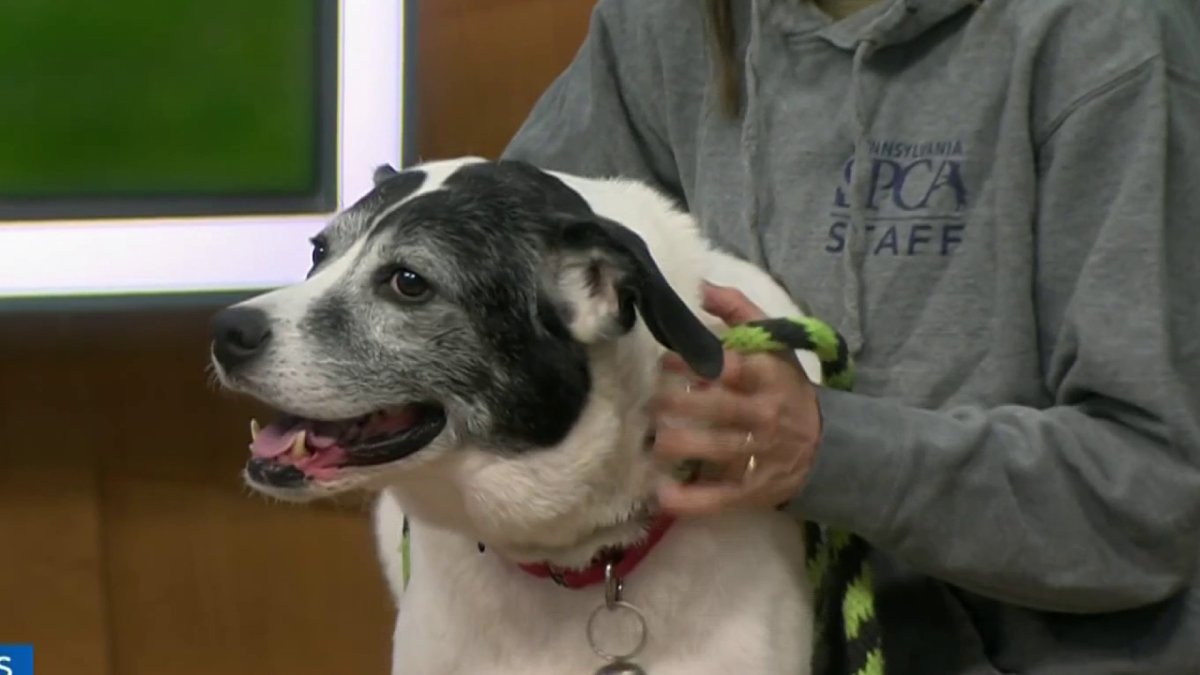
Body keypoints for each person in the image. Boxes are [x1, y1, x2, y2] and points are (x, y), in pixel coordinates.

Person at [500, 0, 1200, 673]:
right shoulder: (658, 27)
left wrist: (830, 450)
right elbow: (490, 307)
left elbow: (1152, 500)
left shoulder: (1112, 35)